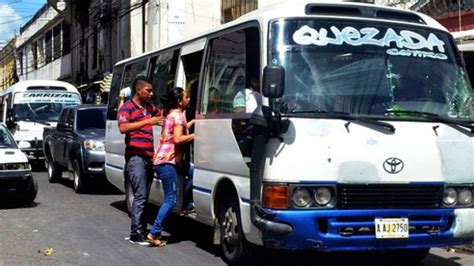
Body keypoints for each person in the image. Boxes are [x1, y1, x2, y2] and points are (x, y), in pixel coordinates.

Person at [117, 76, 163, 246]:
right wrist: (147, 121)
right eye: (148, 90)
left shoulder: (149, 108)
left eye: (151, 91)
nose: (151, 94)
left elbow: (162, 117)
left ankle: (141, 230)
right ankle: (136, 233)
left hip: (149, 157)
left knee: (145, 195)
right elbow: (122, 128)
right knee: (140, 194)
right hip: (135, 157)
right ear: (138, 90)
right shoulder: (127, 108)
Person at [147, 87, 195, 247]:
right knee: (171, 199)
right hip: (166, 162)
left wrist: (192, 123)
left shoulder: (172, 114)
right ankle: (154, 233)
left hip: (167, 160)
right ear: (180, 101)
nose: (189, 100)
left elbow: (178, 129)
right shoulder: (179, 115)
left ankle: (187, 205)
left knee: (195, 173)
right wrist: (196, 134)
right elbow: (178, 139)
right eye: (187, 97)